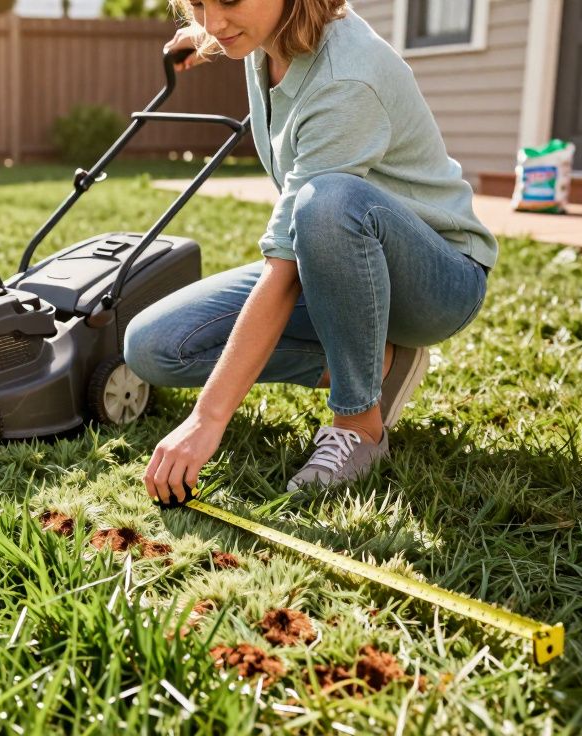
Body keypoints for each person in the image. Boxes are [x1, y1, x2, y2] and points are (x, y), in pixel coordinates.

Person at [122, 0, 497, 505]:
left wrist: (208, 419)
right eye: (197, 4)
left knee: (326, 203)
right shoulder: (263, 38)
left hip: (436, 280)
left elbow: (285, 268)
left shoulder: (345, 78)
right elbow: (226, 23)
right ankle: (376, 363)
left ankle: (360, 422)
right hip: (336, 261)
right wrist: (208, 36)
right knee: (152, 345)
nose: (212, 21)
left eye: (228, 1)